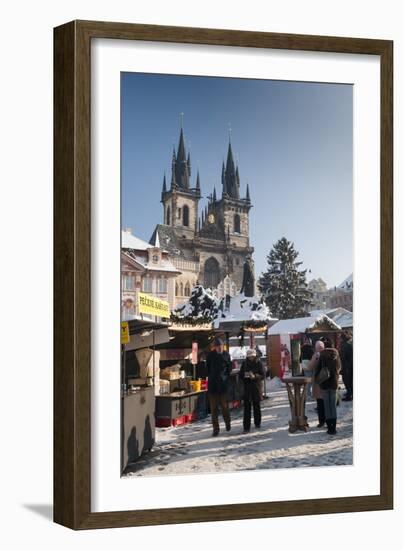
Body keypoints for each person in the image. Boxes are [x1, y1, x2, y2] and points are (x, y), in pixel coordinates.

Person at [206, 337, 232, 437]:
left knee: (225, 407)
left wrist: (224, 377)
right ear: (214, 348)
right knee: (214, 409)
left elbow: (229, 368)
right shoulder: (210, 356)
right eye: (217, 347)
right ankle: (215, 429)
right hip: (213, 386)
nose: (219, 348)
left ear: (223, 346)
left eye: (221, 346)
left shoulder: (226, 355)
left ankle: (227, 422)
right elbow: (207, 369)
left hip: (223, 385)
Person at [316, 339, 342, 435]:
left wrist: (317, 380)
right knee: (333, 406)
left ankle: (329, 428)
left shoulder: (322, 355)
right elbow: (340, 368)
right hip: (334, 383)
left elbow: (318, 369)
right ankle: (334, 428)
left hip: (324, 383)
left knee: (327, 406)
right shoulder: (336, 355)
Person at [239, 348, 264, 433]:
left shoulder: (259, 363)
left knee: (257, 406)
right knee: (247, 408)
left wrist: (255, 376)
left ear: (255, 356)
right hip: (247, 388)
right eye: (249, 356)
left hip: (256, 387)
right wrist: (246, 375)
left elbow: (263, 374)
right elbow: (240, 375)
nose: (251, 358)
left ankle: (257, 423)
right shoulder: (244, 363)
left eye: (252, 356)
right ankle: (246, 427)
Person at [309, 340, 326, 427]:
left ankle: (322, 421)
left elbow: (310, 367)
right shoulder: (328, 354)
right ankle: (329, 420)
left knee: (320, 403)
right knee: (327, 402)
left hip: (318, 382)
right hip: (327, 381)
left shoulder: (316, 355)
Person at [340, 332, 353, 400]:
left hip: (346, 366)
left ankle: (349, 395)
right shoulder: (351, 342)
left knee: (347, 381)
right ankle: (350, 393)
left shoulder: (345, 345)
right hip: (351, 365)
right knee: (351, 380)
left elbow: (343, 356)